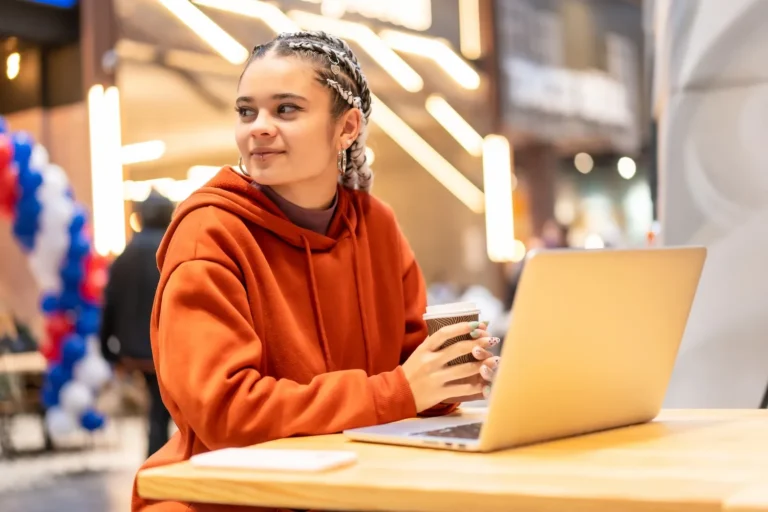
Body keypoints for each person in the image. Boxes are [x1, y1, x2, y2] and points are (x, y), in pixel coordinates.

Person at [132, 31, 499, 512]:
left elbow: (409, 378)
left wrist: (452, 375)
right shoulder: (209, 232)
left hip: (355, 483)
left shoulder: (377, 226)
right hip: (228, 497)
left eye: (285, 109)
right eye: (247, 111)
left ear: (347, 127)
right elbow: (225, 411)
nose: (258, 128)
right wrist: (399, 391)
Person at [100, 190, 175, 458]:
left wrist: (108, 350)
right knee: (163, 409)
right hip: (170, 349)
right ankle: (163, 464)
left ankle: (157, 460)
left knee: (157, 410)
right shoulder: (174, 251)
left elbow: (109, 306)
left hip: (134, 351)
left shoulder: (123, 258)